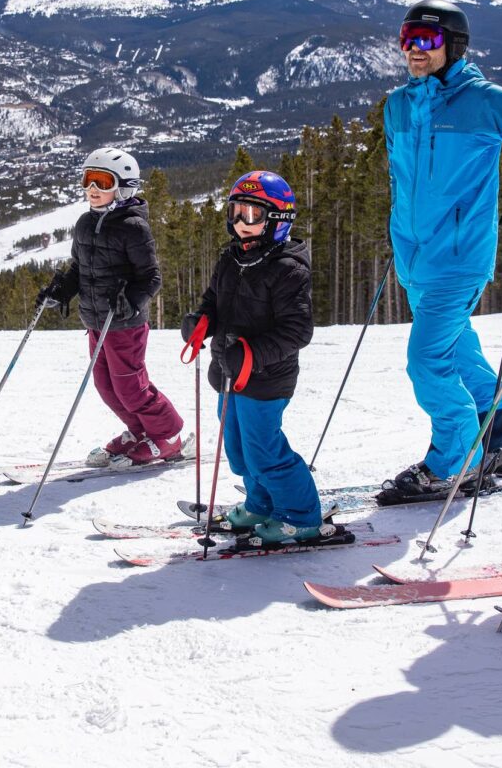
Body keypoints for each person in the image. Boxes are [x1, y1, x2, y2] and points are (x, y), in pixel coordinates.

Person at [384, 0, 502, 495]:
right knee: (459, 351)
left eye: (425, 39)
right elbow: (403, 180)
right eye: (406, 38)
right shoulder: (398, 106)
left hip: (460, 258)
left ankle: (455, 460)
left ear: (453, 44)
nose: (413, 49)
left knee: (426, 360)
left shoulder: (483, 101)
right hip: (414, 258)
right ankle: (500, 441)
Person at [181, 170, 322, 544]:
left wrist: (250, 354)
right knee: (240, 452)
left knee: (265, 452)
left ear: (277, 220)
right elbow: (214, 302)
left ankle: (302, 515)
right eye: (236, 212)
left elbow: (297, 331)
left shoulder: (288, 268)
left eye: (253, 215)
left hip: (266, 378)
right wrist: (202, 322)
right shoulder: (231, 259)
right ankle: (260, 504)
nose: (242, 223)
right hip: (228, 373)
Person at [37, 147, 184, 468]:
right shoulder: (85, 224)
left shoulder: (133, 227)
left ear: (124, 186)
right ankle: (139, 430)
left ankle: (168, 435)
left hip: (125, 324)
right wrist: (61, 291)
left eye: (102, 181)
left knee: (131, 387)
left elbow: (151, 277)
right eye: (88, 180)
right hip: (95, 320)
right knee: (106, 387)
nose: (92, 188)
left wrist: (131, 300)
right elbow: (80, 269)